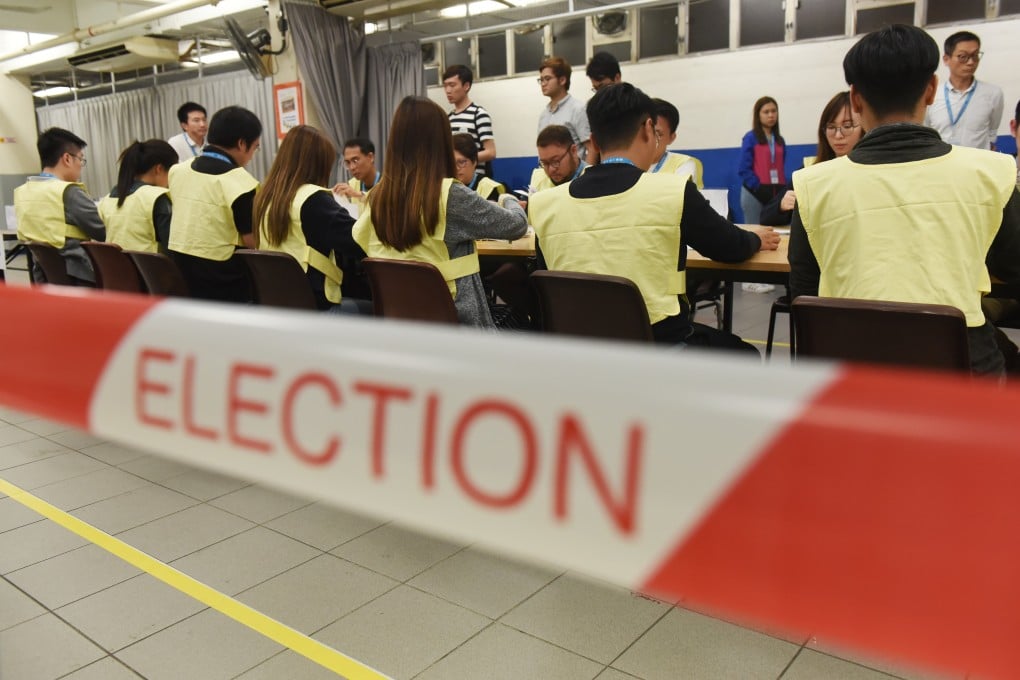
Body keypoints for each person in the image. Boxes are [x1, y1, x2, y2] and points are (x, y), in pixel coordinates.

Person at [788, 24, 1020, 377]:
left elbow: (804, 292)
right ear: (931, 90)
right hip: (960, 369)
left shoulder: (812, 184)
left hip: (848, 369)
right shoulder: (993, 173)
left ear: (855, 99)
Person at [529, 83, 780, 352]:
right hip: (657, 346)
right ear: (648, 129)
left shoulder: (544, 204)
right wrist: (755, 239)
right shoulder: (673, 191)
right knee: (744, 353)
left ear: (595, 142)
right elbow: (730, 246)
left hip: (577, 349)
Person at [352, 96, 528, 328]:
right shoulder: (449, 194)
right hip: (459, 324)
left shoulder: (377, 196)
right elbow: (516, 225)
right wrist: (508, 198)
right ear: (441, 142)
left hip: (403, 325)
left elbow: (359, 236)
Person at [255, 125, 369, 313]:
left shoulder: (265, 197)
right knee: (382, 311)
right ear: (318, 164)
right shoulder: (314, 199)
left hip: (280, 304)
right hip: (315, 307)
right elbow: (359, 241)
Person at [167, 105, 261, 303]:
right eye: (255, 147)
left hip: (181, 276)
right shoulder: (240, 182)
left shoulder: (177, 171)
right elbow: (254, 244)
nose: (253, 155)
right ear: (242, 144)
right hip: (224, 283)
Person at [14, 127, 106, 284]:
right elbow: (103, 231)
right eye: (80, 159)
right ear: (67, 159)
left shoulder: (22, 192)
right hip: (79, 278)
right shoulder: (68, 192)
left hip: (44, 277)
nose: (81, 166)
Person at [760, 91, 863, 226]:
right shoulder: (809, 169)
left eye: (847, 126)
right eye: (831, 127)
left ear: (864, 127)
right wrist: (782, 205)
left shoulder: (872, 169)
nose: (838, 135)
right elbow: (765, 216)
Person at [924, 31, 1004, 151]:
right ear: (946, 59)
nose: (971, 62)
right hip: (943, 165)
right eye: (963, 57)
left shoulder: (993, 94)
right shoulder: (933, 94)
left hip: (977, 165)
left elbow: (992, 132)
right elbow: (926, 131)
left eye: (975, 55)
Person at [98, 140, 177, 253]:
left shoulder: (107, 200)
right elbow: (173, 248)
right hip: (152, 269)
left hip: (117, 269)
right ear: (159, 169)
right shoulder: (156, 198)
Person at [737, 96, 786, 225]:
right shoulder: (750, 138)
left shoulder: (780, 140)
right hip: (754, 193)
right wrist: (758, 188)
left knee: (777, 233)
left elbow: (780, 167)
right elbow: (743, 169)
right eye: (766, 112)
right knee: (755, 233)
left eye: (774, 111)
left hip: (776, 193)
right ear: (758, 115)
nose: (771, 115)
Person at [443, 65, 496, 177]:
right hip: (454, 179)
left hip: (475, 181)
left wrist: (463, 160)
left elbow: (491, 152)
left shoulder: (479, 114)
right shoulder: (448, 119)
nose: (448, 90)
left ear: (466, 86)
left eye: (452, 85)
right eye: (445, 86)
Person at [538, 56, 591, 162]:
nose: (543, 83)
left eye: (547, 79)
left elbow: (592, 148)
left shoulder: (577, 109)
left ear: (562, 80)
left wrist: (587, 176)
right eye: (541, 80)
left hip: (575, 176)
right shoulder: (544, 115)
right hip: (548, 175)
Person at [649, 98, 704, 189]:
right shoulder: (624, 164)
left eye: (658, 134)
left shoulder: (682, 165)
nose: (649, 138)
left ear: (671, 138)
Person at [529, 125, 588, 194]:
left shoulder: (592, 182)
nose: (551, 170)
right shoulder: (539, 178)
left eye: (555, 161)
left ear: (573, 151)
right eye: (545, 163)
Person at [453, 133, 505, 200]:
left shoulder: (490, 188)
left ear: (474, 161)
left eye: (461, 162)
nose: (456, 168)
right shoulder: (446, 187)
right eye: (452, 163)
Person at [332, 138, 378, 212]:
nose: (352, 167)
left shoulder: (386, 183)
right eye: (348, 162)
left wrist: (358, 195)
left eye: (355, 160)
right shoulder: (352, 184)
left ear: (370, 157)